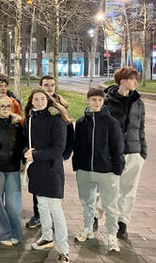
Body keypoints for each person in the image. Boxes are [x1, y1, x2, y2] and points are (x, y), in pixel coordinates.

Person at [72, 88, 125, 253]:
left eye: (100, 100)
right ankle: (88, 228)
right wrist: (77, 166)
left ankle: (112, 236)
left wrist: (117, 168)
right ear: (88, 100)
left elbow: (118, 147)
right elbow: (77, 146)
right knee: (87, 203)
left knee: (110, 206)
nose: (96, 103)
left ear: (103, 102)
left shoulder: (111, 122)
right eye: (93, 99)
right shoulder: (81, 122)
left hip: (107, 171)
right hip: (85, 170)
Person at [23, 88, 69, 263]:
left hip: (51, 169)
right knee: (41, 205)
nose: (39, 102)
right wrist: (26, 152)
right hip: (36, 170)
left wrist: (35, 155)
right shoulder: (30, 119)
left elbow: (59, 149)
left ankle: (64, 250)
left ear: (48, 100)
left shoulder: (56, 120)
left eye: (43, 98)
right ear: (31, 101)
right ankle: (47, 237)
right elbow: (25, 142)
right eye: (36, 99)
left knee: (56, 210)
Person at [25, 75, 73, 231]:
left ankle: (56, 234)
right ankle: (39, 217)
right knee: (39, 197)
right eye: (46, 85)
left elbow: (68, 133)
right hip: (37, 161)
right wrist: (27, 153)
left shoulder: (60, 110)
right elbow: (27, 138)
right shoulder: (32, 115)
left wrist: (65, 153)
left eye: (52, 85)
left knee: (52, 201)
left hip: (52, 160)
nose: (49, 88)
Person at [104, 67, 147, 240]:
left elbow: (141, 127)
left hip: (135, 152)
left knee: (129, 190)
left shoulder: (139, 102)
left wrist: (143, 151)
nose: (136, 82)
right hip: (113, 153)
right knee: (107, 188)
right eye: (133, 79)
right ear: (122, 81)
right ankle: (95, 216)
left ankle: (123, 223)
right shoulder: (108, 101)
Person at [0, 94, 25, 246]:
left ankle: (15, 233)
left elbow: (22, 144)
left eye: (8, 106)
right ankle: (2, 234)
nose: (5, 109)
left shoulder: (17, 124)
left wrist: (23, 161)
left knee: (13, 204)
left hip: (13, 168)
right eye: (2, 106)